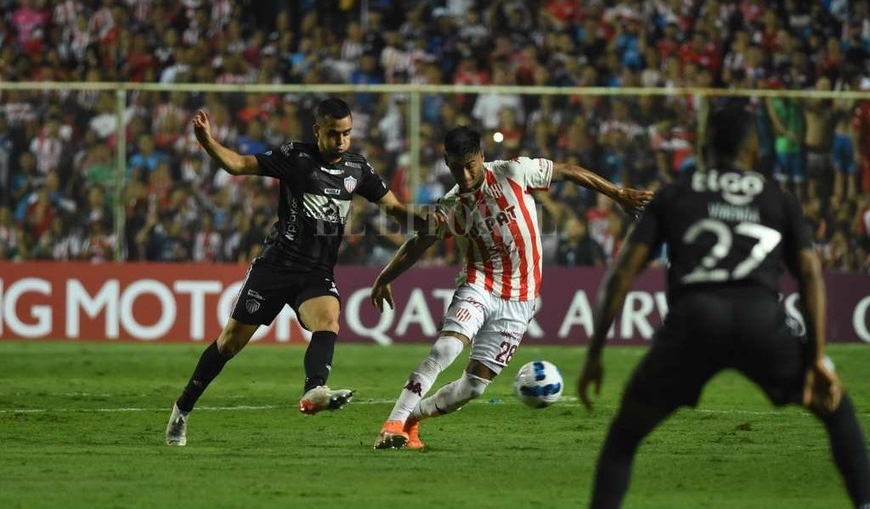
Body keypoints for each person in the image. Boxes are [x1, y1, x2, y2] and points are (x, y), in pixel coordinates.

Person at [577, 104, 870, 508]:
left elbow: (622, 272)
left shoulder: (675, 195)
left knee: (624, 437)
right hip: (762, 323)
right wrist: (817, 358)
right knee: (836, 409)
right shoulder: (777, 198)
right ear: (753, 150)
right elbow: (810, 274)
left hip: (694, 323)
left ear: (703, 146)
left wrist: (595, 354)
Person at [166, 97, 435, 446]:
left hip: (316, 272)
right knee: (230, 343)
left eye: (347, 134)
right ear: (317, 132)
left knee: (329, 319)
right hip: (276, 266)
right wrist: (207, 142)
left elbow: (394, 208)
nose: (341, 141)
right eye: (334, 134)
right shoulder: (295, 157)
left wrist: (424, 223)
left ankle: (314, 391)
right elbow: (238, 164)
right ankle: (182, 408)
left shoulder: (358, 169)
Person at [370, 126, 653, 450]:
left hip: (521, 299)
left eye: (470, 164)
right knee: (446, 348)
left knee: (473, 386)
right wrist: (385, 277)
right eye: (456, 166)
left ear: (482, 156)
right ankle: (392, 423)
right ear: (447, 162)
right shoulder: (451, 206)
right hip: (480, 283)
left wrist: (618, 193)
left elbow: (567, 172)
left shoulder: (514, 172)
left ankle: (410, 421)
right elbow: (418, 243)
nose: (464, 174)